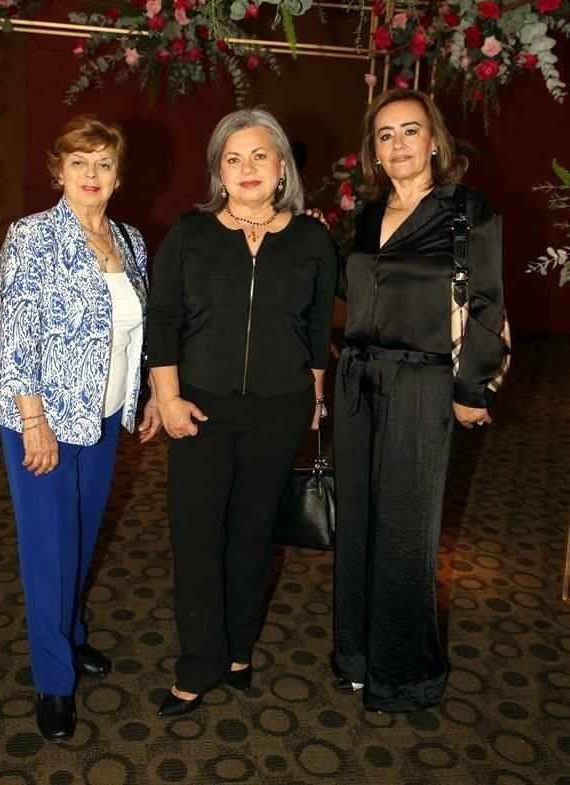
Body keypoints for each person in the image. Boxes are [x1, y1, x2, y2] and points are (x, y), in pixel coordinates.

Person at [139, 108, 338, 717]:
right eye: (233, 157)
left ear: (282, 167)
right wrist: (167, 397)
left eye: (259, 155)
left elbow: (315, 327)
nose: (246, 168)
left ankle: (238, 651)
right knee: (197, 537)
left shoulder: (311, 239)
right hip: (199, 406)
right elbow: (164, 320)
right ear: (218, 171)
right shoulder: (190, 233)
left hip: (280, 409)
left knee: (253, 536)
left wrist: (317, 398)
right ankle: (199, 661)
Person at [333, 89, 507, 712]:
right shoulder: (365, 216)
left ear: (435, 141)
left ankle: (404, 673)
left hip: (423, 383)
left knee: (406, 529)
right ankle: (355, 654)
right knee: (356, 523)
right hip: (358, 378)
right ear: (373, 151)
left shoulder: (469, 211)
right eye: (385, 135)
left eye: (411, 131)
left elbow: (486, 301)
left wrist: (471, 387)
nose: (398, 144)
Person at [0, 114, 152, 741]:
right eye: (78, 162)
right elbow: (16, 332)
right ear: (58, 170)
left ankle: (70, 633)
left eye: (104, 163)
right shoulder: (32, 237)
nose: (91, 174)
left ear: (117, 176)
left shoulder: (132, 241)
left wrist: (142, 398)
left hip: (104, 415)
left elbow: (136, 329)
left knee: (81, 540)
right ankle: (54, 681)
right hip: (43, 419)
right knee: (48, 548)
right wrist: (33, 419)